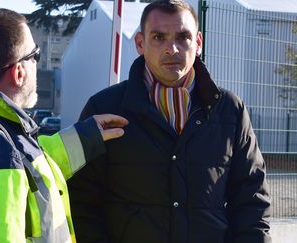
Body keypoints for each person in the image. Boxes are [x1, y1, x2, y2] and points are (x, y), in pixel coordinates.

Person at [67, 1, 271, 242]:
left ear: (198, 43)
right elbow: (81, 203)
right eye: (159, 37)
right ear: (140, 43)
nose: (172, 49)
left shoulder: (229, 111)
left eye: (183, 37)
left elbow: (252, 203)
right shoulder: (104, 109)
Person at [0, 8, 128, 243]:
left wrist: (82, 140)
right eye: (35, 55)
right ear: (19, 72)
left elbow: (22, 166)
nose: (36, 64)